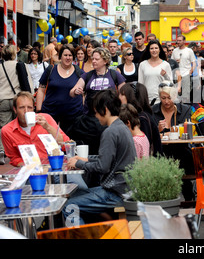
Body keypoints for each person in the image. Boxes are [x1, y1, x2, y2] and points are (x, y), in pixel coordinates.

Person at [63, 90, 136, 226]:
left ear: (105, 109)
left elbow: (102, 167)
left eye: (96, 112)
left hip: (116, 193)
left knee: (69, 206)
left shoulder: (110, 132)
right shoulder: (121, 127)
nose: (95, 116)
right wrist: (86, 159)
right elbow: (109, 159)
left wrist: (79, 163)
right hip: (125, 189)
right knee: (77, 194)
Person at [151, 82, 195, 201]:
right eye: (163, 98)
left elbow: (187, 131)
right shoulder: (153, 110)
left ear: (175, 97)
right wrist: (158, 130)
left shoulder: (184, 110)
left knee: (184, 158)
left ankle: (188, 197)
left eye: (169, 98)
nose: (166, 101)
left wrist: (166, 133)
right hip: (161, 151)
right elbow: (150, 134)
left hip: (181, 150)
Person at [2, 91, 70, 167]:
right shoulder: (7, 131)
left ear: (33, 108)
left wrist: (47, 127)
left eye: (29, 107)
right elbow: (14, 158)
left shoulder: (46, 119)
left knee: (74, 179)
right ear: (15, 109)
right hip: (30, 171)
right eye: (22, 107)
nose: (26, 111)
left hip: (54, 166)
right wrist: (29, 166)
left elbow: (65, 144)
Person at [36, 45, 84, 135]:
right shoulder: (50, 70)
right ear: (60, 56)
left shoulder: (79, 73)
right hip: (51, 115)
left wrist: (84, 108)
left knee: (69, 143)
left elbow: (85, 92)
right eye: (65, 55)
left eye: (70, 55)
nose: (68, 58)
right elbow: (41, 89)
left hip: (73, 116)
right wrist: (39, 109)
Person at [70, 47, 126, 116]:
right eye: (93, 59)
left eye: (97, 59)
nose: (93, 61)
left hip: (109, 117)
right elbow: (71, 92)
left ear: (105, 61)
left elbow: (124, 94)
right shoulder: (87, 75)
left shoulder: (115, 74)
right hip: (90, 117)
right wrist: (76, 91)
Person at [0, 47, 33, 158]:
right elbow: (28, 82)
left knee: (3, 126)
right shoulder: (20, 65)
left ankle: (2, 150)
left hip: (3, 99)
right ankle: (19, 148)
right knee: (20, 125)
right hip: (18, 100)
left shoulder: (0, 66)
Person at [118, 82, 162, 156]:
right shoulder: (144, 115)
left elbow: (144, 149)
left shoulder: (142, 118)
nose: (119, 97)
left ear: (130, 97)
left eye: (122, 94)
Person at [138, 40, 172, 105]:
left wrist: (165, 75)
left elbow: (170, 83)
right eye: (151, 48)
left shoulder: (165, 64)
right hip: (147, 100)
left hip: (161, 100)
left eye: (156, 48)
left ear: (159, 50)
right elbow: (140, 84)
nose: (154, 50)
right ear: (149, 50)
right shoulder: (143, 64)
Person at [171, 35, 196, 102]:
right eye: (177, 40)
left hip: (186, 74)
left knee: (185, 96)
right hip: (177, 76)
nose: (178, 42)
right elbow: (171, 63)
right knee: (176, 95)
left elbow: (194, 62)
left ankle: (185, 110)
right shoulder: (174, 51)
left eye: (180, 40)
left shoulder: (189, 50)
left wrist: (190, 73)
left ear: (184, 41)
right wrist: (175, 62)